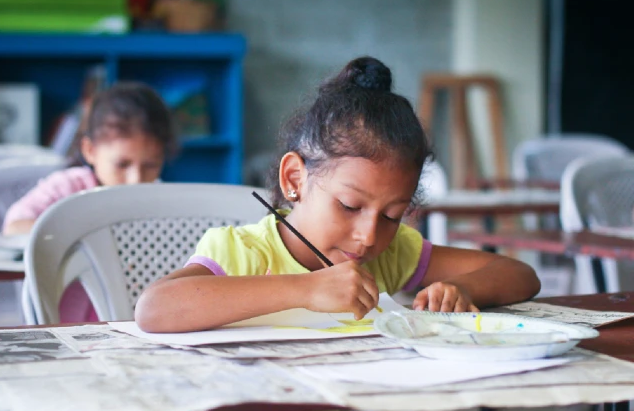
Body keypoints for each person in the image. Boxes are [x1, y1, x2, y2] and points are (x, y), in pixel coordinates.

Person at [135, 57, 540, 333]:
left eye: (392, 215)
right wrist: (307, 290)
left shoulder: (390, 253)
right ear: (295, 179)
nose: (368, 236)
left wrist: (464, 290)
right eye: (349, 205)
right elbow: (154, 309)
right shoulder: (244, 252)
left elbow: (521, 275)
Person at [4, 81, 176, 322]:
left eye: (150, 166)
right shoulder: (68, 186)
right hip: (65, 326)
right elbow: (14, 226)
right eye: (122, 165)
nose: (136, 179)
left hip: (133, 326)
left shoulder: (164, 201)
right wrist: (78, 235)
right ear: (90, 150)